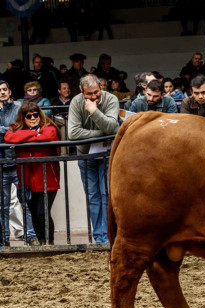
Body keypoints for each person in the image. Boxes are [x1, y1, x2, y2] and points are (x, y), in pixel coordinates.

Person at [68, 74, 120, 244]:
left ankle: (108, 236)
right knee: (93, 196)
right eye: (89, 94)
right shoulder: (76, 102)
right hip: (86, 154)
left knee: (107, 194)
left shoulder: (111, 99)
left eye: (96, 92)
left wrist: (94, 111)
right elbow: (73, 133)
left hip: (107, 154)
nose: (93, 96)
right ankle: (99, 236)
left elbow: (112, 126)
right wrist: (102, 134)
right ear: (82, 92)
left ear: (101, 87)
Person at [5, 102, 60, 245]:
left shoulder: (49, 127)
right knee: (34, 213)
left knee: (43, 212)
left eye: (35, 115)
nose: (33, 118)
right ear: (23, 118)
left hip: (47, 177)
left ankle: (50, 241)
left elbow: (48, 136)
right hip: (27, 180)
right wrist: (34, 133)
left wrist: (24, 137)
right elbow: (10, 138)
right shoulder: (15, 128)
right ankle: (42, 242)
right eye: (28, 116)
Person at [0, 80, 40, 247]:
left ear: (10, 92)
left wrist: (8, 130)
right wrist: (8, 130)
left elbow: (19, 129)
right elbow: (11, 130)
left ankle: (31, 236)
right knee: (2, 205)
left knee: (25, 201)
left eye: (4, 89)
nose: (2, 92)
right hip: (1, 162)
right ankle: (4, 239)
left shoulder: (18, 108)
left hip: (17, 160)